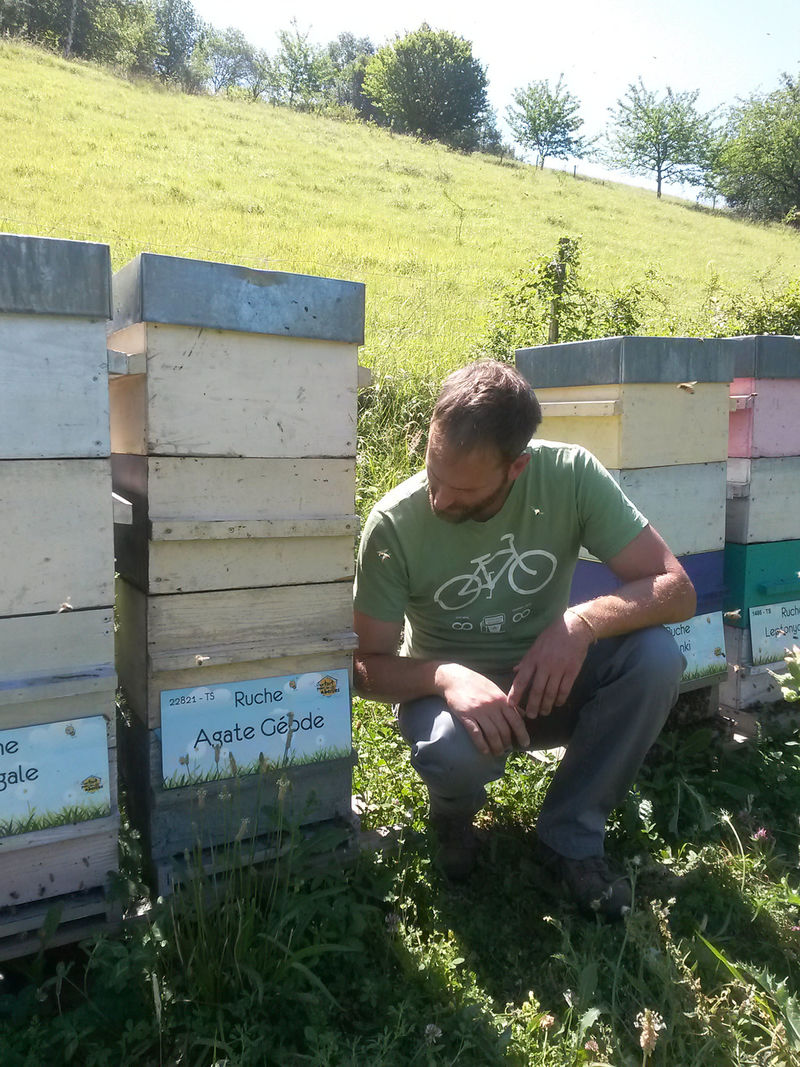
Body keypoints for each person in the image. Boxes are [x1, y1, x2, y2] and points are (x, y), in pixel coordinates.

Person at [353, 359, 696, 918]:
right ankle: (452, 813)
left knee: (655, 659)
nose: (440, 501)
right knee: (448, 752)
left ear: (517, 468)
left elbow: (675, 589)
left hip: (549, 686)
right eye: (433, 476)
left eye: (463, 492)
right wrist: (445, 675)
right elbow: (362, 666)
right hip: (450, 706)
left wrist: (580, 624)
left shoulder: (571, 476)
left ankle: (572, 838)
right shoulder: (394, 523)